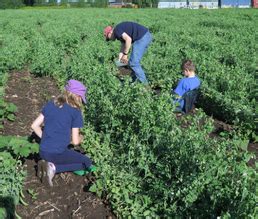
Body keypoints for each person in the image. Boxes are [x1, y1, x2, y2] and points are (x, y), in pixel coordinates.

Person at [31, 79, 94, 187]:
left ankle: (47, 163)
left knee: (68, 157)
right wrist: (81, 138)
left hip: (43, 150)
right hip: (57, 153)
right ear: (77, 97)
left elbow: (34, 125)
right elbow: (75, 142)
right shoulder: (75, 112)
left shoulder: (51, 104)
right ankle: (53, 168)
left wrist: (46, 137)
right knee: (87, 162)